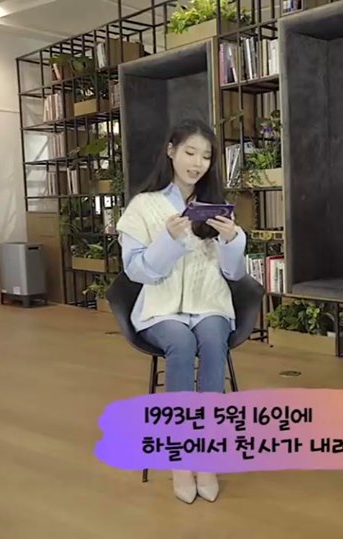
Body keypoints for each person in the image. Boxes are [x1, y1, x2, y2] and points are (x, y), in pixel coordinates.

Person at [115, 119, 247, 505]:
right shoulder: (144, 206)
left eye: (205, 156)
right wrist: (168, 240)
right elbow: (136, 270)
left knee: (212, 339)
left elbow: (234, 274)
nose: (197, 163)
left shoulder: (214, 205)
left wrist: (232, 239)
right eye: (190, 152)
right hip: (161, 307)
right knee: (181, 343)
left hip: (210, 302)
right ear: (171, 151)